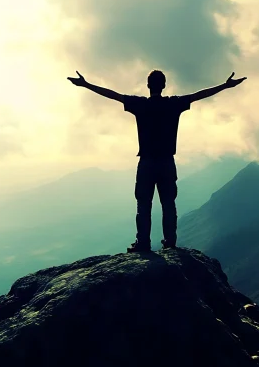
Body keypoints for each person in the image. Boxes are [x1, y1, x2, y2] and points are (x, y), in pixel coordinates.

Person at [67, 69, 246, 252]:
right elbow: (199, 95)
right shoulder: (173, 104)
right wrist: (225, 85)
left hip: (146, 163)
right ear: (164, 86)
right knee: (168, 203)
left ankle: (143, 242)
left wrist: (86, 84)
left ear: (148, 85)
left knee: (143, 204)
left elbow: (113, 95)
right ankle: (170, 242)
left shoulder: (140, 104)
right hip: (167, 162)